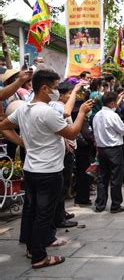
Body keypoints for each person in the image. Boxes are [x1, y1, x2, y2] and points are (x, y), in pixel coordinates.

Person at [0, 69, 92, 268]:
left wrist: (23, 143)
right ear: (44, 88)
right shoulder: (47, 111)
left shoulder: (24, 109)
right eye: (56, 87)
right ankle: (39, 257)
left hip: (32, 169)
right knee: (44, 215)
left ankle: (33, 249)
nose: (57, 91)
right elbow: (73, 133)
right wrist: (82, 113)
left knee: (33, 211)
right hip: (48, 171)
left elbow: (4, 126)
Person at [93, 92, 124, 213]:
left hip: (102, 149)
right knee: (115, 177)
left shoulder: (97, 115)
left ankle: (100, 204)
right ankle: (115, 205)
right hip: (113, 149)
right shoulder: (112, 115)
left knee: (102, 177)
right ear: (112, 103)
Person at [49, 81, 85, 228]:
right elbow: (64, 117)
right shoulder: (57, 107)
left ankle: (61, 212)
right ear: (61, 95)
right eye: (70, 94)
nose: (72, 97)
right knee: (62, 185)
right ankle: (59, 218)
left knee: (64, 183)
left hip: (66, 148)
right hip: (64, 151)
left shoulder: (57, 106)